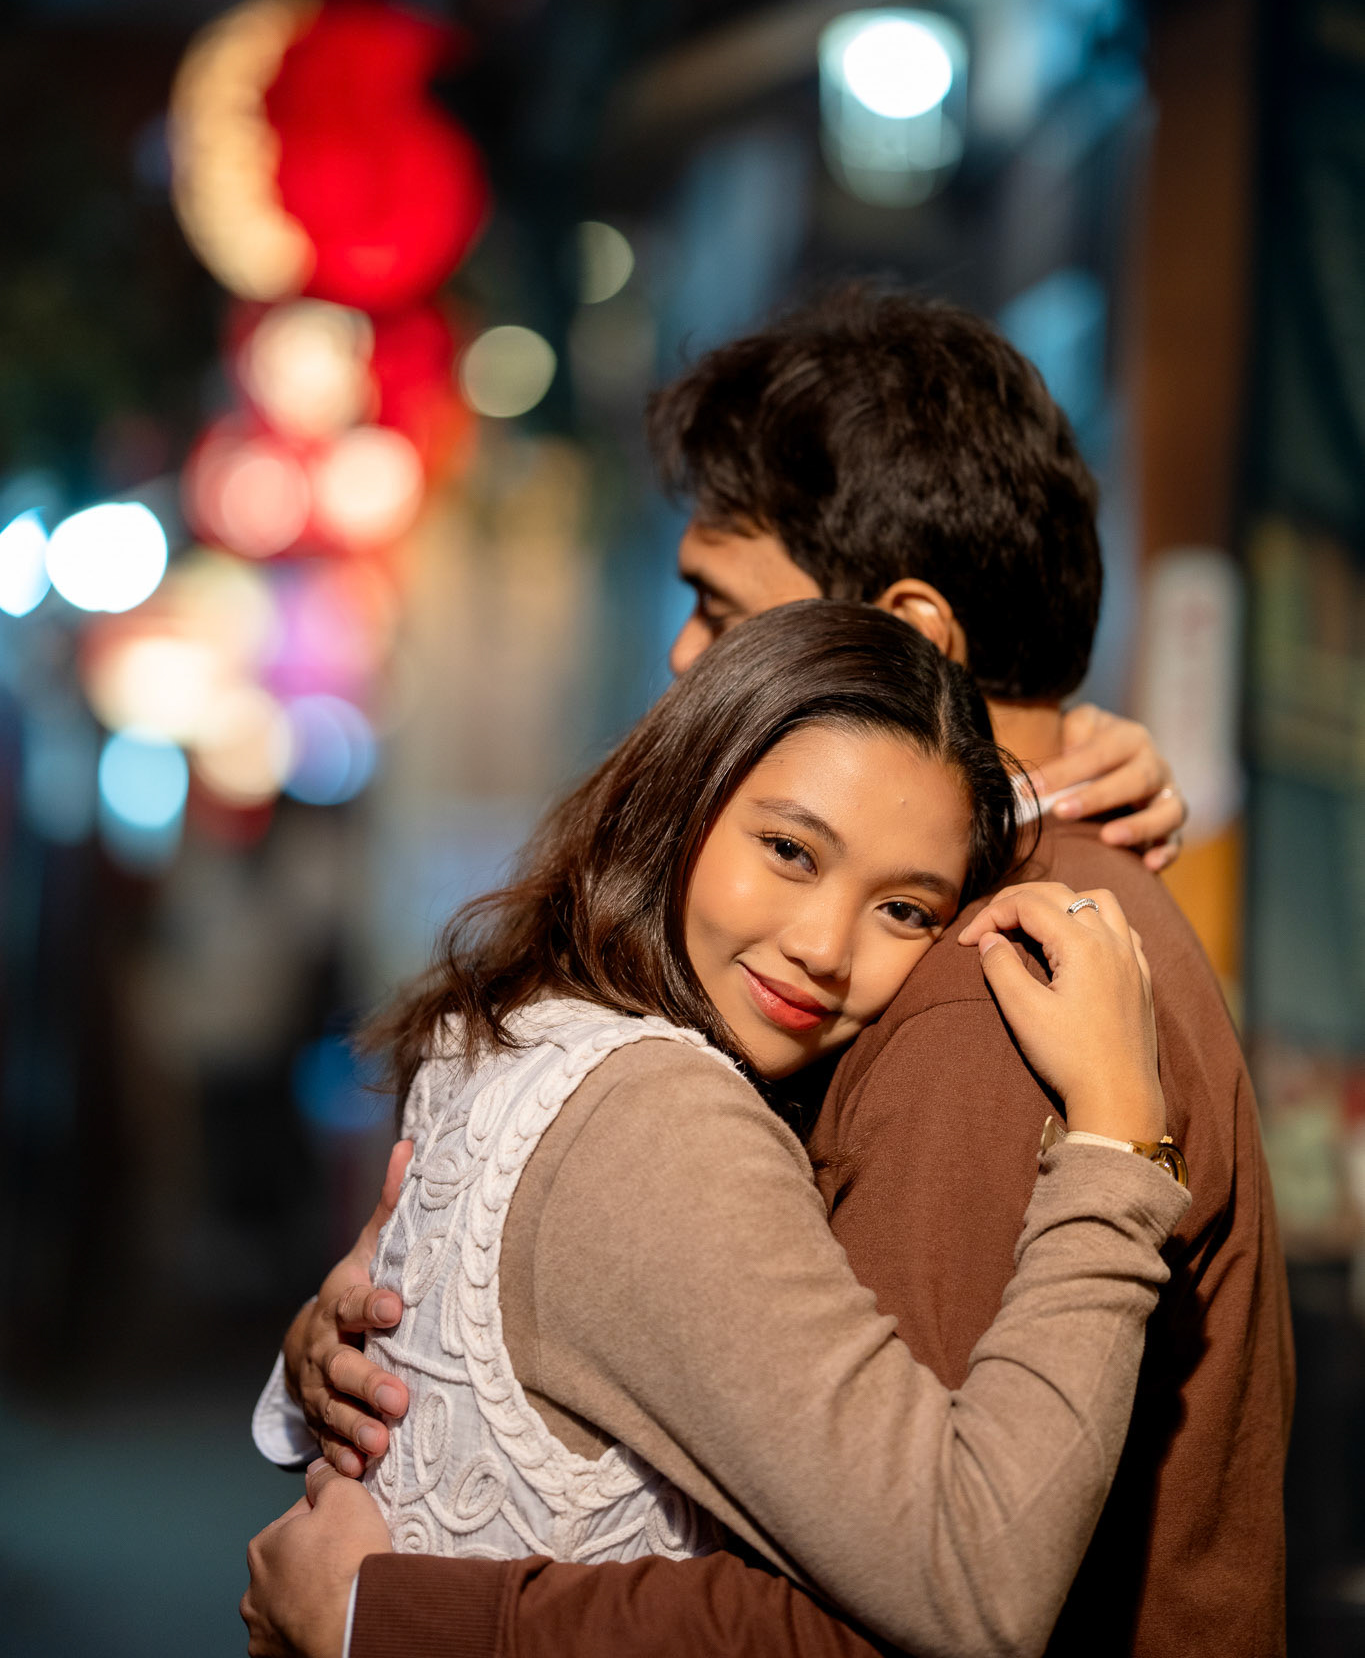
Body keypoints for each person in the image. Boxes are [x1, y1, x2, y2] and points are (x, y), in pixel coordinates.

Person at [246, 293, 1292, 1658]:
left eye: (719, 605)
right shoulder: (982, 917)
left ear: (912, 637)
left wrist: (395, 1618)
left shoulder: (991, 987)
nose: (687, 657)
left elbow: (908, 1604)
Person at [245, 600, 1189, 1658]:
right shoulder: (663, 1117)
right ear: (684, 799)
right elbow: (976, 1576)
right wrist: (1117, 1141)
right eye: (790, 849)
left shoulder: (512, 1026)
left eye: (907, 909)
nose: (825, 945)